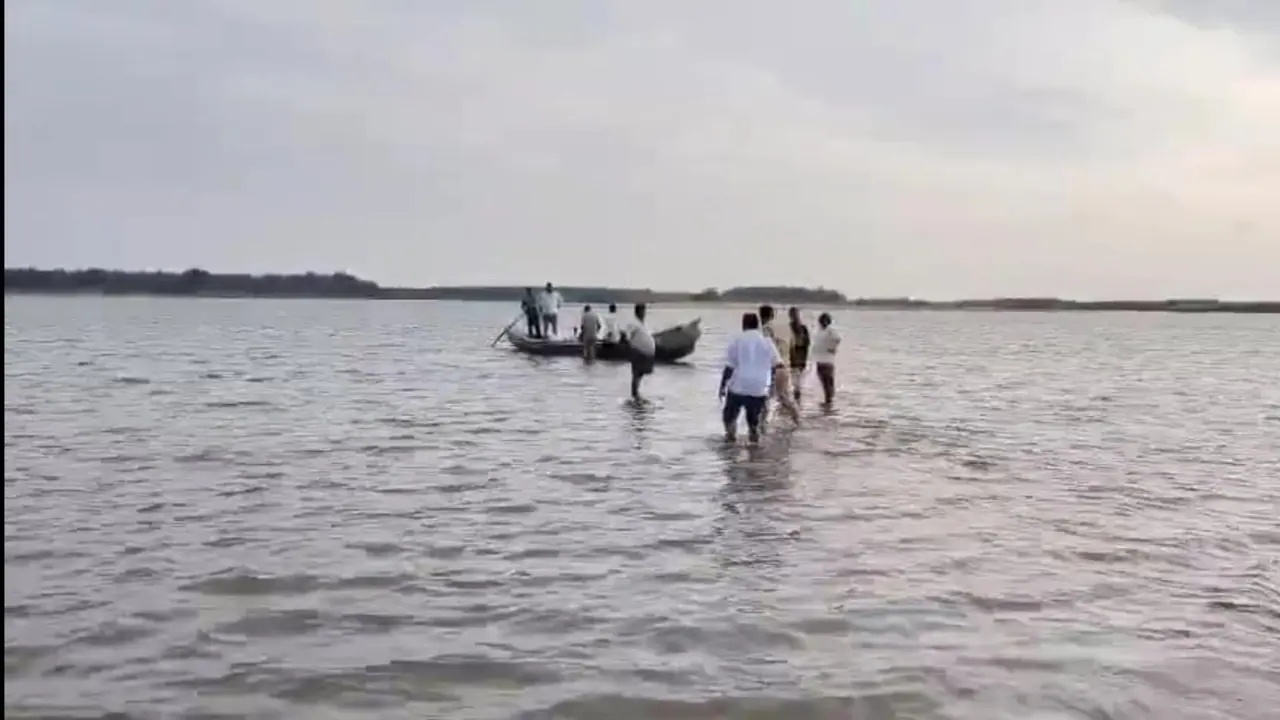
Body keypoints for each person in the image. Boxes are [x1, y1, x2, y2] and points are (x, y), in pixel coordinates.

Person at [719, 312, 783, 444]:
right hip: (759, 388)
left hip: (738, 386)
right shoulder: (767, 342)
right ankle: (755, 446)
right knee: (753, 422)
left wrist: (722, 386)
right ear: (757, 325)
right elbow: (777, 365)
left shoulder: (737, 340)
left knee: (729, 418)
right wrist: (771, 385)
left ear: (744, 324)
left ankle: (731, 441)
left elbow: (730, 367)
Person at [759, 304, 800, 425]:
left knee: (771, 397)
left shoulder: (766, 328)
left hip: (773, 367)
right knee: (783, 395)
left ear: (761, 316)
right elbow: (793, 345)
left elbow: (765, 348)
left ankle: (762, 425)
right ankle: (796, 420)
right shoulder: (786, 328)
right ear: (773, 314)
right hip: (786, 365)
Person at [621, 302, 655, 401]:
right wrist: (629, 348)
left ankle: (636, 394)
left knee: (639, 374)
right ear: (638, 312)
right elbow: (626, 336)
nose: (644, 314)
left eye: (644, 311)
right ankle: (634, 394)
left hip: (644, 353)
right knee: (636, 373)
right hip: (637, 351)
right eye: (643, 311)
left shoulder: (640, 324)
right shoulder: (633, 323)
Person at [811, 312, 841, 407]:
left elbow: (837, 339)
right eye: (821, 321)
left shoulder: (830, 330)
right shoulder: (818, 330)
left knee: (828, 381)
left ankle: (829, 401)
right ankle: (827, 401)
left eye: (825, 321)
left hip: (828, 360)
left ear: (828, 322)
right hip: (819, 359)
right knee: (823, 381)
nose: (822, 322)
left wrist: (832, 348)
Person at [787, 306, 811, 404]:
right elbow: (807, 344)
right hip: (799, 358)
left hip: (794, 358)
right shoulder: (802, 328)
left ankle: (794, 404)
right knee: (797, 385)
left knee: (794, 384)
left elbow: (805, 344)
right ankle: (797, 404)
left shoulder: (791, 327)